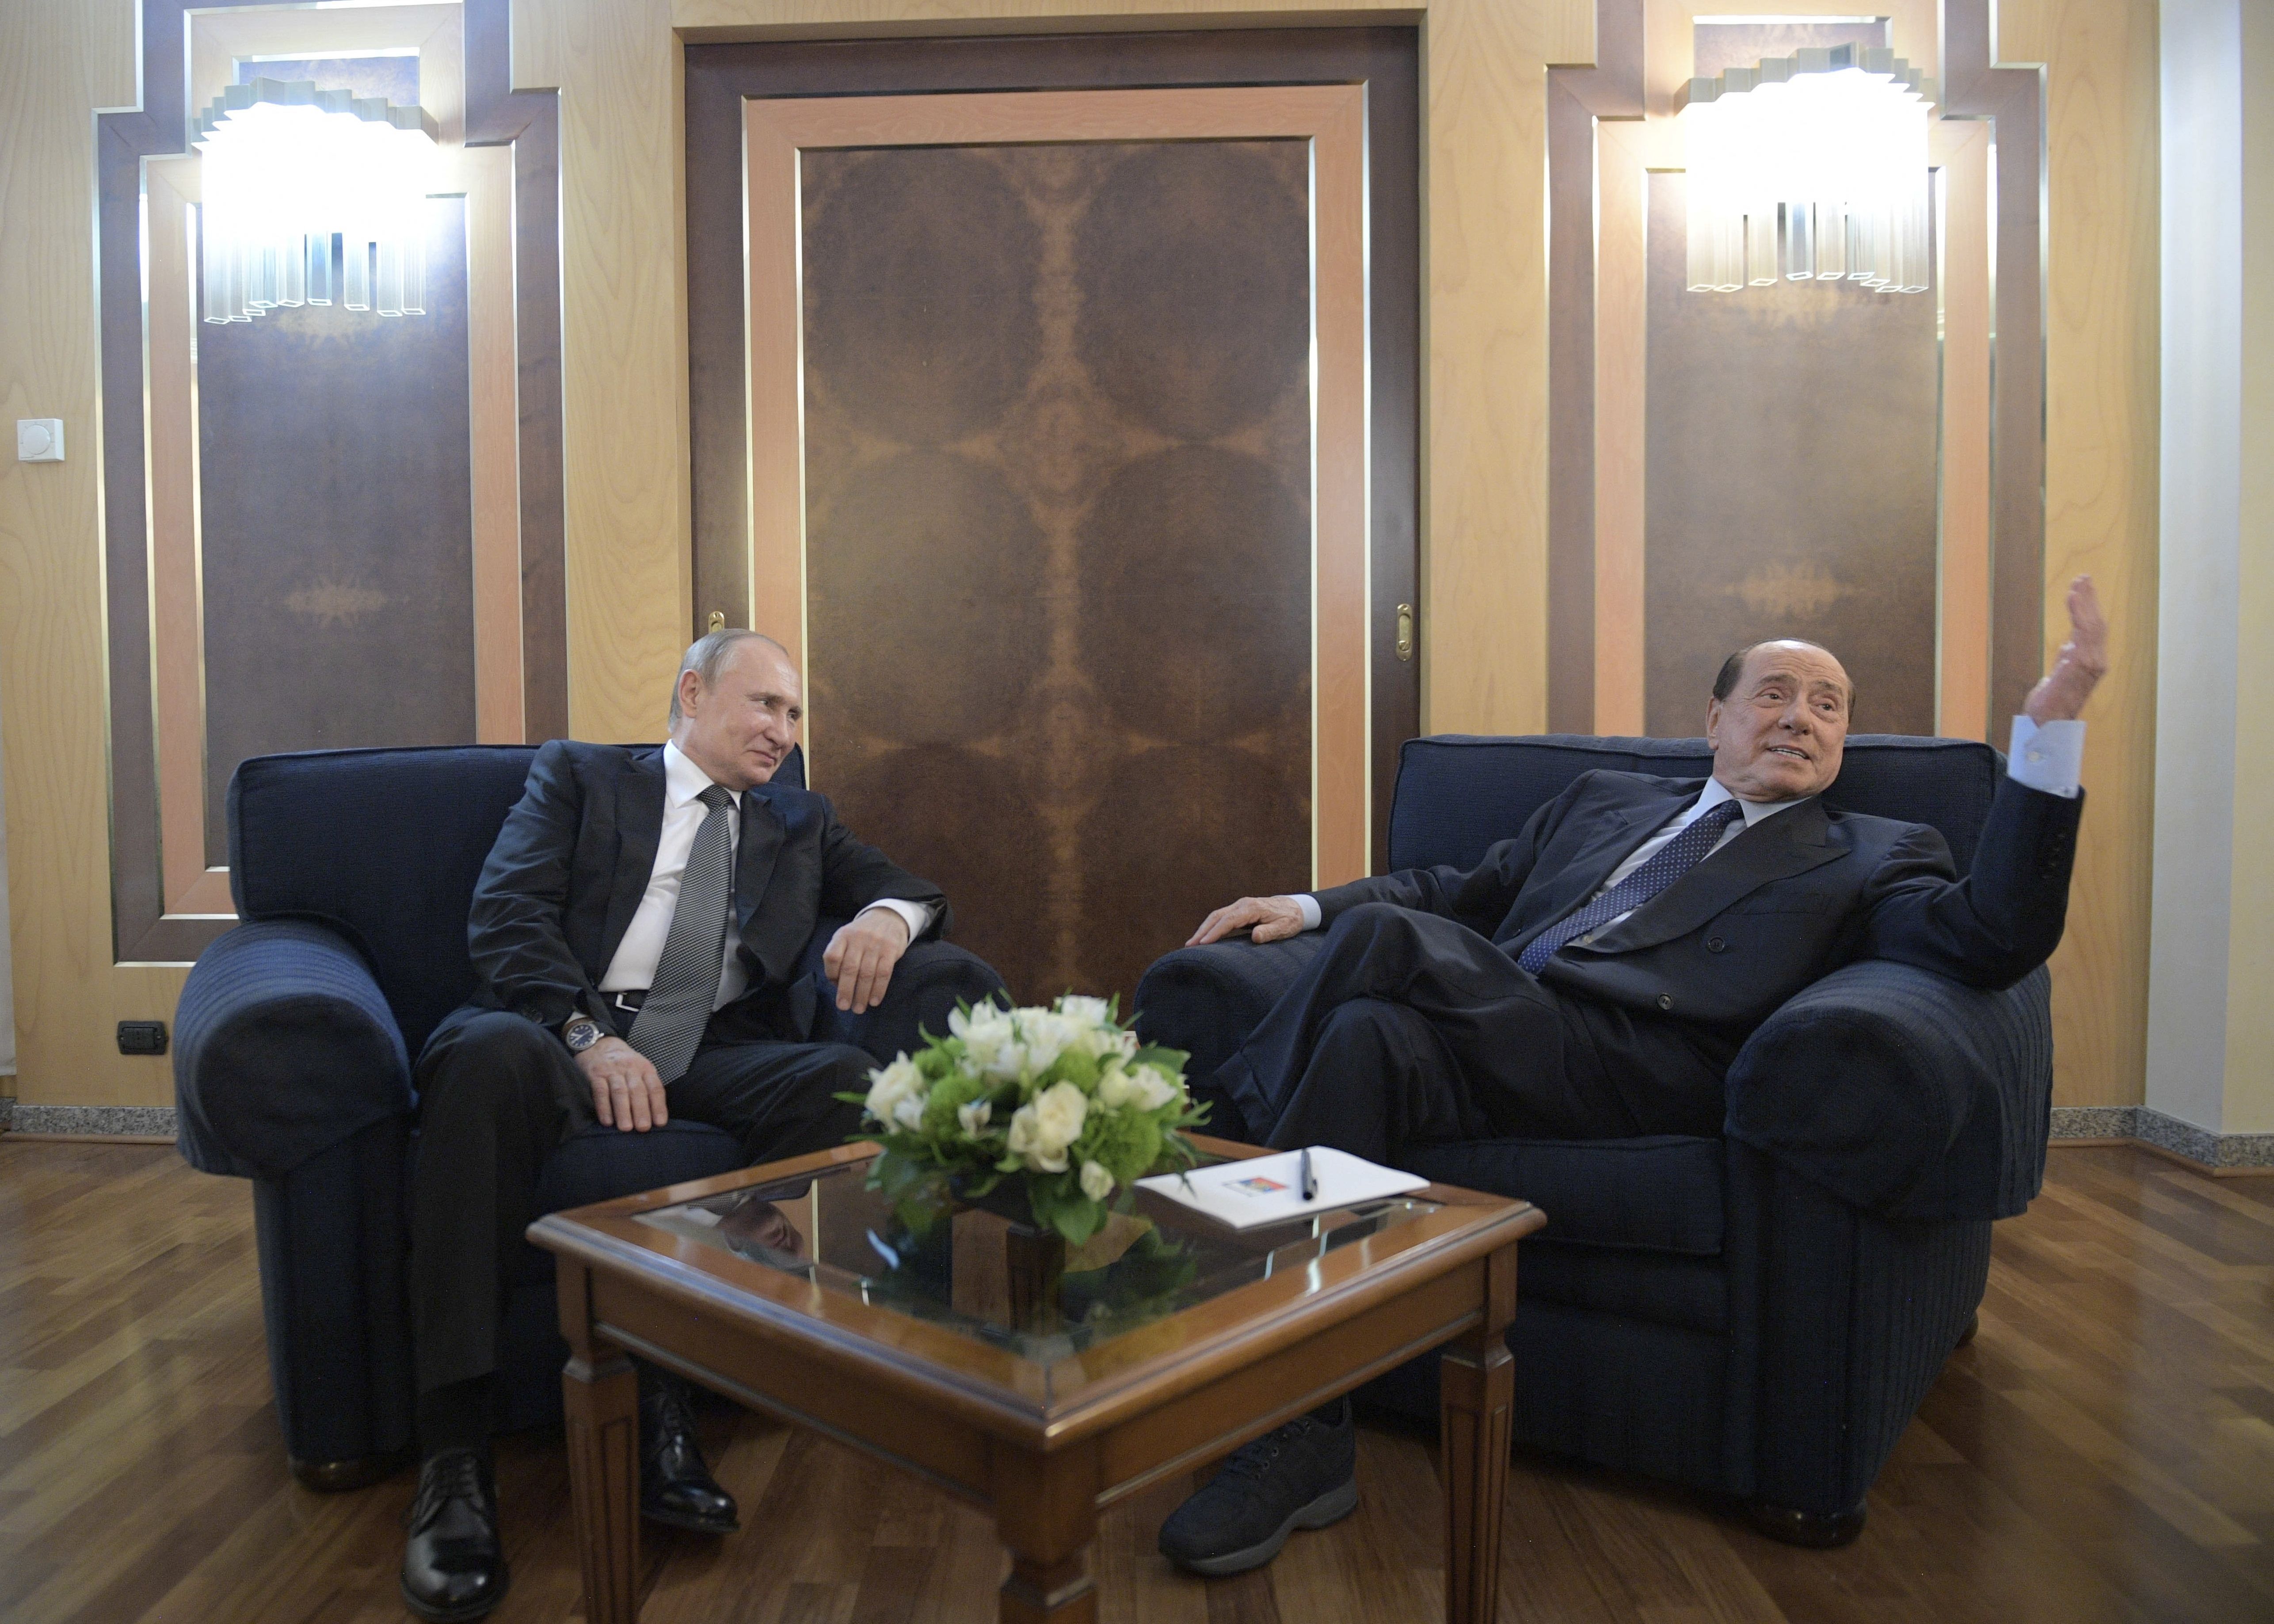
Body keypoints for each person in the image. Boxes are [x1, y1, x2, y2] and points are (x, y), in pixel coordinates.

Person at [1153, 578, 2111, 1579]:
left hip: (1645, 1063)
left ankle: (1203, 1222)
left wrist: (2047, 737)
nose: (1801, 717)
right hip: (1498, 1028)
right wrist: (1307, 906)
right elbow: (1462, 888)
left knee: (1388, 945)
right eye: (1774, 693)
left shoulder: (1875, 851)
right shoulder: (1602, 801)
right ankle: (1302, 1432)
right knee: (1361, 1033)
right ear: (1715, 719)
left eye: (1828, 705)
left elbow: (1989, 938)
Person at [400, 629, 947, 1623]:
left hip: (709, 1051)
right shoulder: (580, 778)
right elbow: (507, 914)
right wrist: (588, 1039)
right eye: (764, 704)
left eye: (793, 713)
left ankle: (672, 1391)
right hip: (555, 1031)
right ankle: (454, 1462)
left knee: (844, 1081)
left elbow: (913, 888)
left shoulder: (799, 819)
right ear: (693, 692)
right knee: (483, 1061)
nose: (783, 730)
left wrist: (885, 919)